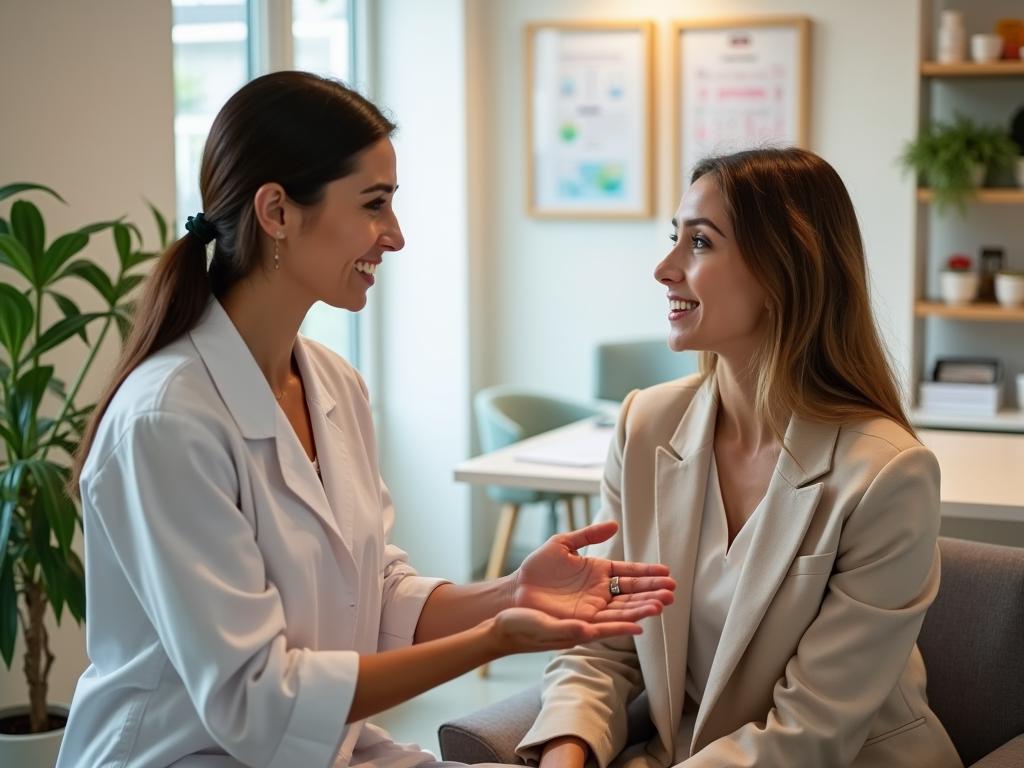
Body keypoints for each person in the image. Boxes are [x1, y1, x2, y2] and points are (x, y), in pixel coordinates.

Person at [55, 71, 676, 768]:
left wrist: (512, 590)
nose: (396, 237)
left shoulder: (332, 383)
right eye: (374, 205)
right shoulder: (168, 419)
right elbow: (258, 701)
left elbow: (374, 593)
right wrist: (495, 637)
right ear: (277, 212)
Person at [517, 148, 963, 768]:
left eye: (699, 243)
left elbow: (813, 729)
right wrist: (567, 752)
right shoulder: (644, 426)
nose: (664, 269)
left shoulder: (887, 474)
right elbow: (606, 639)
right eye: (674, 238)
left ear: (784, 271)